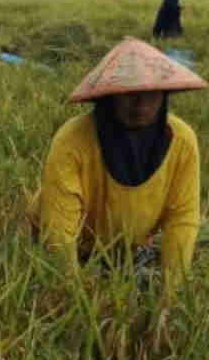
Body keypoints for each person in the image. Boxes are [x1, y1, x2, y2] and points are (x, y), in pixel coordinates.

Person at [31, 37, 204, 293]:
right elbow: (58, 230)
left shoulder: (183, 142)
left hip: (126, 245)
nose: (141, 103)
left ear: (164, 95)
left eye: (151, 93)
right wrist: (70, 291)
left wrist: (172, 292)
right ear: (108, 98)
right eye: (129, 94)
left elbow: (182, 218)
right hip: (73, 240)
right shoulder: (72, 140)